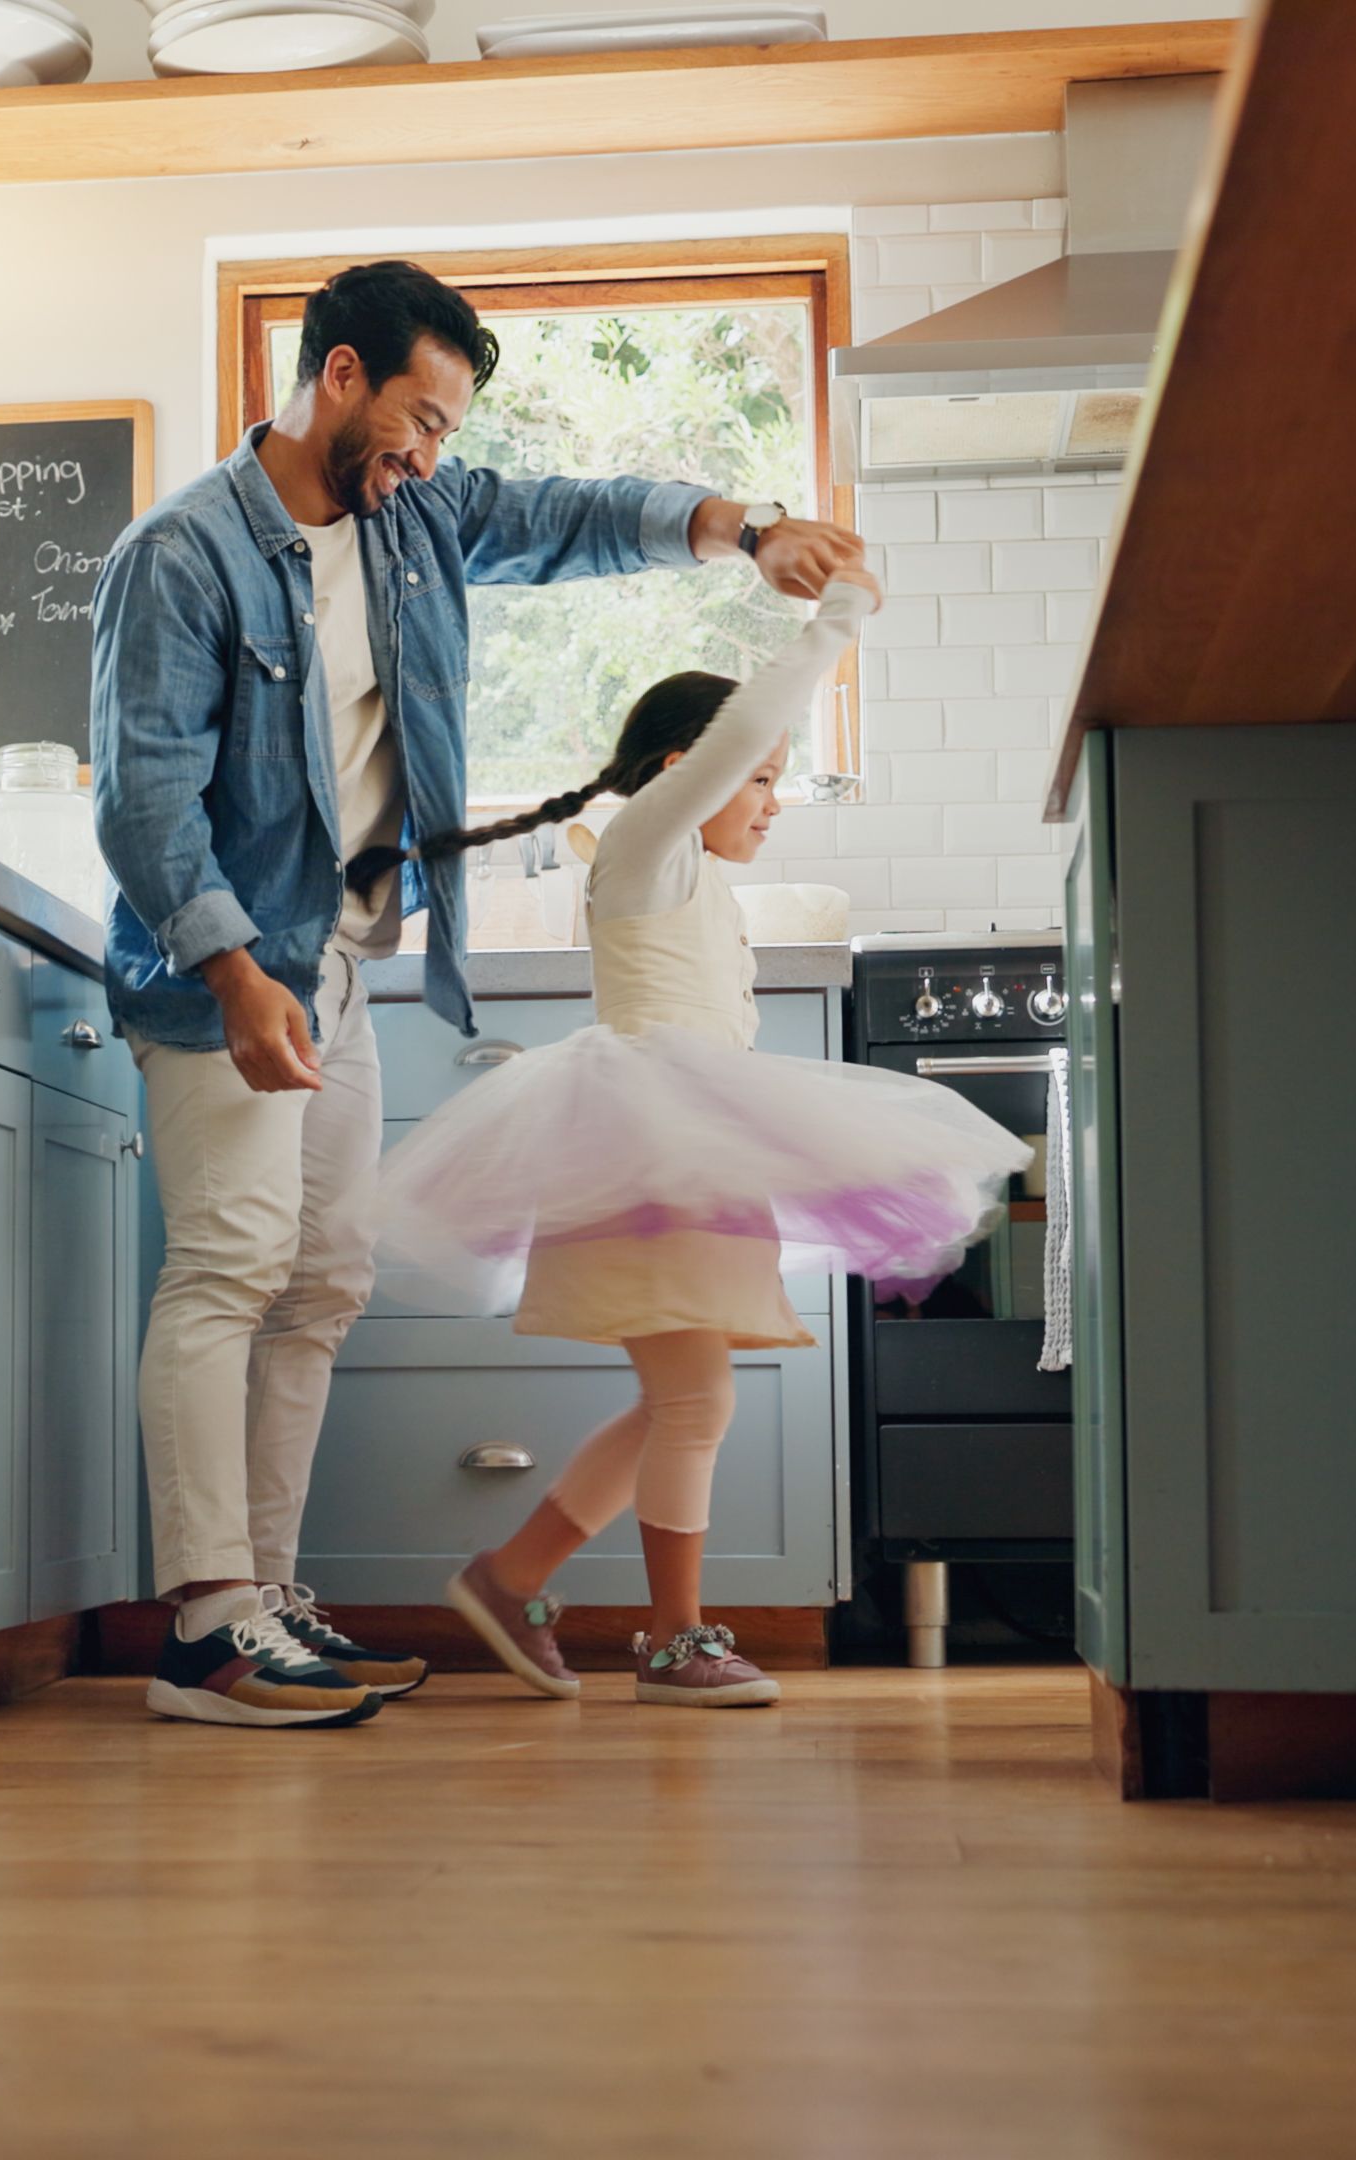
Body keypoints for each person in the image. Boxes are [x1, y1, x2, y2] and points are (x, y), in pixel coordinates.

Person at [90, 259, 866, 1730]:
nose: (432, 455)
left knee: (323, 1284)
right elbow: (141, 799)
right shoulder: (183, 555)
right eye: (417, 419)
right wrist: (235, 973)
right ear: (337, 378)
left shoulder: (417, 514)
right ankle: (203, 1628)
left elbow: (573, 517)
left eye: (447, 432)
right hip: (226, 967)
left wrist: (747, 532)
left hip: (342, 963)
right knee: (232, 1267)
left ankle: (269, 1601)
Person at [368, 568, 1031, 1707]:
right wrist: (833, 625)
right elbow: (740, 737)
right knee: (693, 1399)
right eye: (759, 779)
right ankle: (661, 1636)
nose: (770, 799)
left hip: (682, 1145)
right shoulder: (647, 844)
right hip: (651, 1146)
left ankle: (517, 1573)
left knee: (686, 1395)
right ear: (689, 773)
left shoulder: (695, 878)